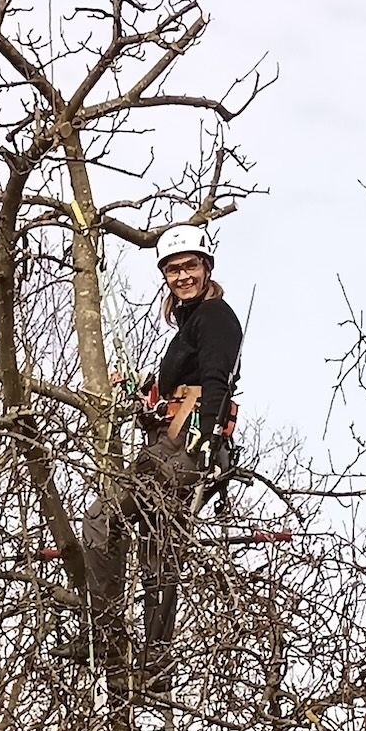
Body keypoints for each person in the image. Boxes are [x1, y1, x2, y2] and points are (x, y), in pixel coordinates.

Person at [56, 223, 243, 689]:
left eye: (190, 266)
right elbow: (185, 383)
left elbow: (216, 381)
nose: (182, 276)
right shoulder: (189, 326)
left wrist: (210, 436)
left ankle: (103, 632)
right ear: (165, 275)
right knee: (159, 554)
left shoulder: (214, 317)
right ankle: (156, 665)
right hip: (175, 441)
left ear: (206, 268)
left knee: (102, 520)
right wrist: (145, 388)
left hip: (182, 448)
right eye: (173, 269)